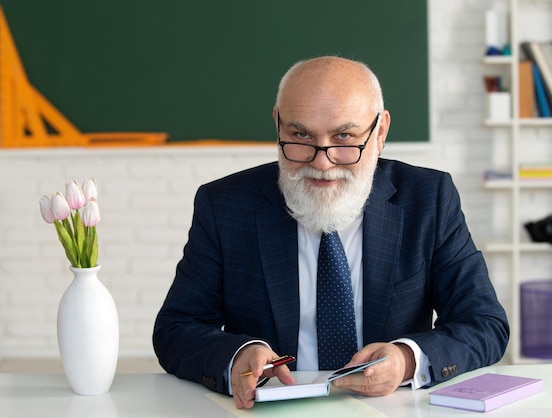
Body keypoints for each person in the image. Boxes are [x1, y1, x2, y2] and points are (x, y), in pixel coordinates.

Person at [153, 56, 509, 409]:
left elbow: (484, 324)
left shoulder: (429, 198)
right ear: (277, 125)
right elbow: (176, 329)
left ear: (380, 132)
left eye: (344, 137)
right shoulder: (225, 205)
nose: (322, 162)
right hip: (272, 408)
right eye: (300, 136)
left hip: (391, 407)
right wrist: (237, 355)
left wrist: (406, 360)